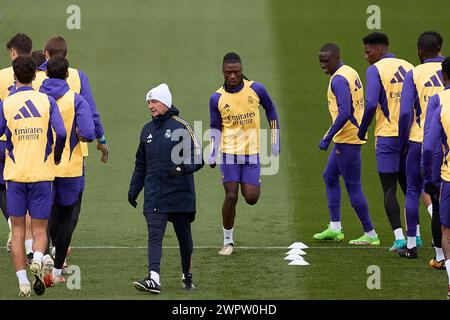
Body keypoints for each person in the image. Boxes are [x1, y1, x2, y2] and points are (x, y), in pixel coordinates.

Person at [33, 36, 108, 265]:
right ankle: (58, 252)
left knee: (45, 208)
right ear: (66, 58)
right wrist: (101, 140)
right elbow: (91, 114)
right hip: (73, 158)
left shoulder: (34, 79)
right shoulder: (78, 76)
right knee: (71, 209)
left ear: (45, 54)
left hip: (40, 156)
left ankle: (42, 253)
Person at [0, 56, 66, 296]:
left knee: (17, 230)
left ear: (15, 76)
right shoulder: (47, 101)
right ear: (36, 76)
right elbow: (60, 131)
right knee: (39, 229)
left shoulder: (6, 103)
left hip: (15, 175)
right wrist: (56, 155)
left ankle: (22, 282)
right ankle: (38, 257)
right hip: (42, 173)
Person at [129, 83, 203, 294]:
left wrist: (182, 168)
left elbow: (199, 157)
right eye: (148, 102)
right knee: (154, 235)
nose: (150, 106)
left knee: (184, 236)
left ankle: (187, 277)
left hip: (180, 194)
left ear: (166, 103)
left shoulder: (182, 127)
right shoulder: (147, 130)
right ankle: (154, 279)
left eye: (154, 101)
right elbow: (141, 164)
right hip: (155, 195)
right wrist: (134, 189)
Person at [208, 52, 280, 256]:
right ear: (222, 71)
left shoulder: (256, 89)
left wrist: (275, 139)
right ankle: (227, 241)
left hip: (252, 154)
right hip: (229, 153)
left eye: (236, 72)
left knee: (251, 197)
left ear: (242, 71)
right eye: (228, 72)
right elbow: (215, 127)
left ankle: (251, 183)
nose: (232, 76)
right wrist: (213, 152)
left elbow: (271, 109)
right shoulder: (217, 98)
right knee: (231, 195)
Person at [314, 43, 379, 245]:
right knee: (330, 177)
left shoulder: (339, 79)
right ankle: (335, 228)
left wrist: (327, 137)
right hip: (350, 135)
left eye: (326, 61)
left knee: (353, 187)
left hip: (347, 138)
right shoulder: (349, 70)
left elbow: (345, 112)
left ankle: (370, 233)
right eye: (320, 61)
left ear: (336, 57)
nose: (323, 65)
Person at [39, 56, 95, 285]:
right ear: (65, 75)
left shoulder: (38, 98)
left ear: (47, 74)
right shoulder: (76, 99)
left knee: (46, 217)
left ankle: (42, 261)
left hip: (41, 167)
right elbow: (89, 132)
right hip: (70, 168)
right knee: (66, 218)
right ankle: (58, 270)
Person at [357, 32, 413, 251]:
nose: (366, 56)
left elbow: (370, 104)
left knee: (389, 188)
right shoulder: (410, 67)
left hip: (387, 136)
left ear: (380, 50)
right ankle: (414, 236)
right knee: (410, 188)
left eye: (368, 51)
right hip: (410, 137)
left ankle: (399, 236)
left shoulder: (375, 70)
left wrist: (362, 130)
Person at [398, 32, 445, 258]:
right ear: (440, 49)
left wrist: (401, 140)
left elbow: (406, 111)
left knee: (413, 190)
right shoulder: (447, 71)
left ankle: (410, 245)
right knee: (439, 197)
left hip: (419, 141)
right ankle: (439, 253)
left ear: (419, 51)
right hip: (445, 144)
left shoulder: (414, 73)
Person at [0, 33, 32, 253]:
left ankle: (14, 225)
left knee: (5, 187)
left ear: (13, 52)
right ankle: (34, 245)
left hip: (4, 142)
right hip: (32, 144)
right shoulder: (39, 76)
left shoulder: (2, 75)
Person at [422, 56, 450, 299]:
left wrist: (430, 178)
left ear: (444, 77)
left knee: (446, 228)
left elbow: (430, 146)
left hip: (448, 175)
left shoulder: (439, 100)